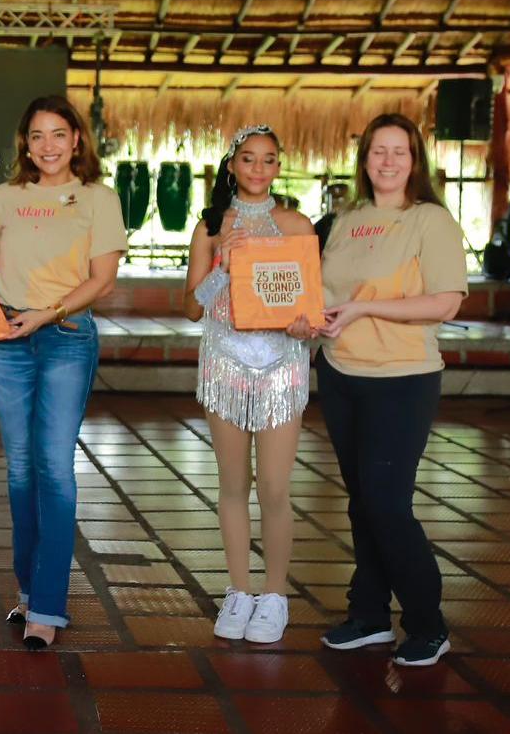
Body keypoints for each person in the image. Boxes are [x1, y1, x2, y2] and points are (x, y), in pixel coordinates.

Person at [316, 113, 467, 668]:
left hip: (402, 379)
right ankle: (371, 614)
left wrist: (364, 307)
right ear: (364, 160)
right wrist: (312, 318)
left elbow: (446, 302)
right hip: (340, 373)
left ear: (415, 161)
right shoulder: (343, 219)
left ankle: (428, 622)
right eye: (378, 151)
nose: (387, 160)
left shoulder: (429, 220)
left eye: (398, 151)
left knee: (386, 503)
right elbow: (325, 292)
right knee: (363, 504)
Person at [0, 95, 125, 650]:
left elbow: (102, 281)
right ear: (25, 144)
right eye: (37, 136)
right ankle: (28, 588)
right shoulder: (4, 197)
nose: (48, 146)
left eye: (58, 134)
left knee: (54, 468)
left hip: (66, 338)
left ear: (77, 140)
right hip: (8, 342)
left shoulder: (98, 199)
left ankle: (48, 606)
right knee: (18, 470)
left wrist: (47, 313)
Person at [182, 126, 317, 645]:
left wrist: (306, 323)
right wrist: (223, 263)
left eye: (268, 160)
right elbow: (192, 308)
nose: (258, 169)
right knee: (233, 484)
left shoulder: (297, 224)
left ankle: (276, 594)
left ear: (278, 167)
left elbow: (309, 305)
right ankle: (238, 590)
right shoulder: (213, 225)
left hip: (282, 363)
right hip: (225, 362)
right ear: (232, 165)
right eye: (248, 159)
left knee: (277, 487)